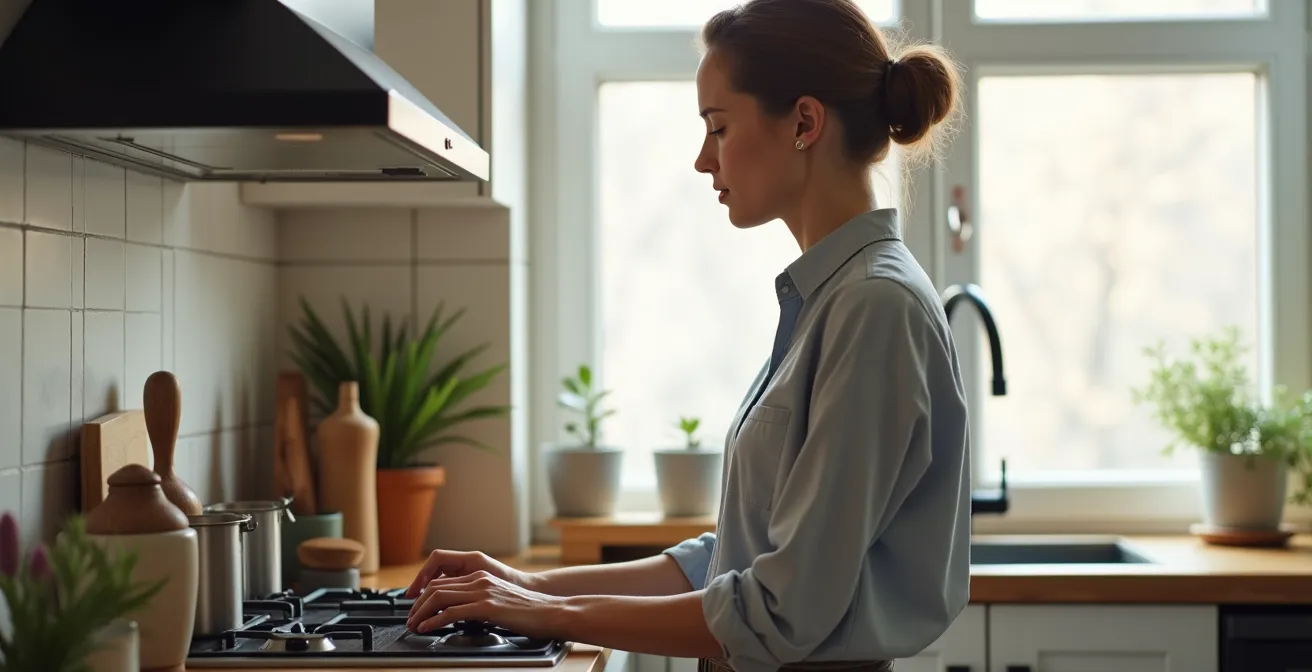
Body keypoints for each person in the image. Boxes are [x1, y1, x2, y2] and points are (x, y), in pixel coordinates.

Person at [403, 1, 971, 671]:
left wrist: (544, 612)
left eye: (718, 127)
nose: (704, 160)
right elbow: (734, 557)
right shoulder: (833, 298)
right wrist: (524, 584)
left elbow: (780, 608)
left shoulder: (875, 308)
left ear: (804, 123)